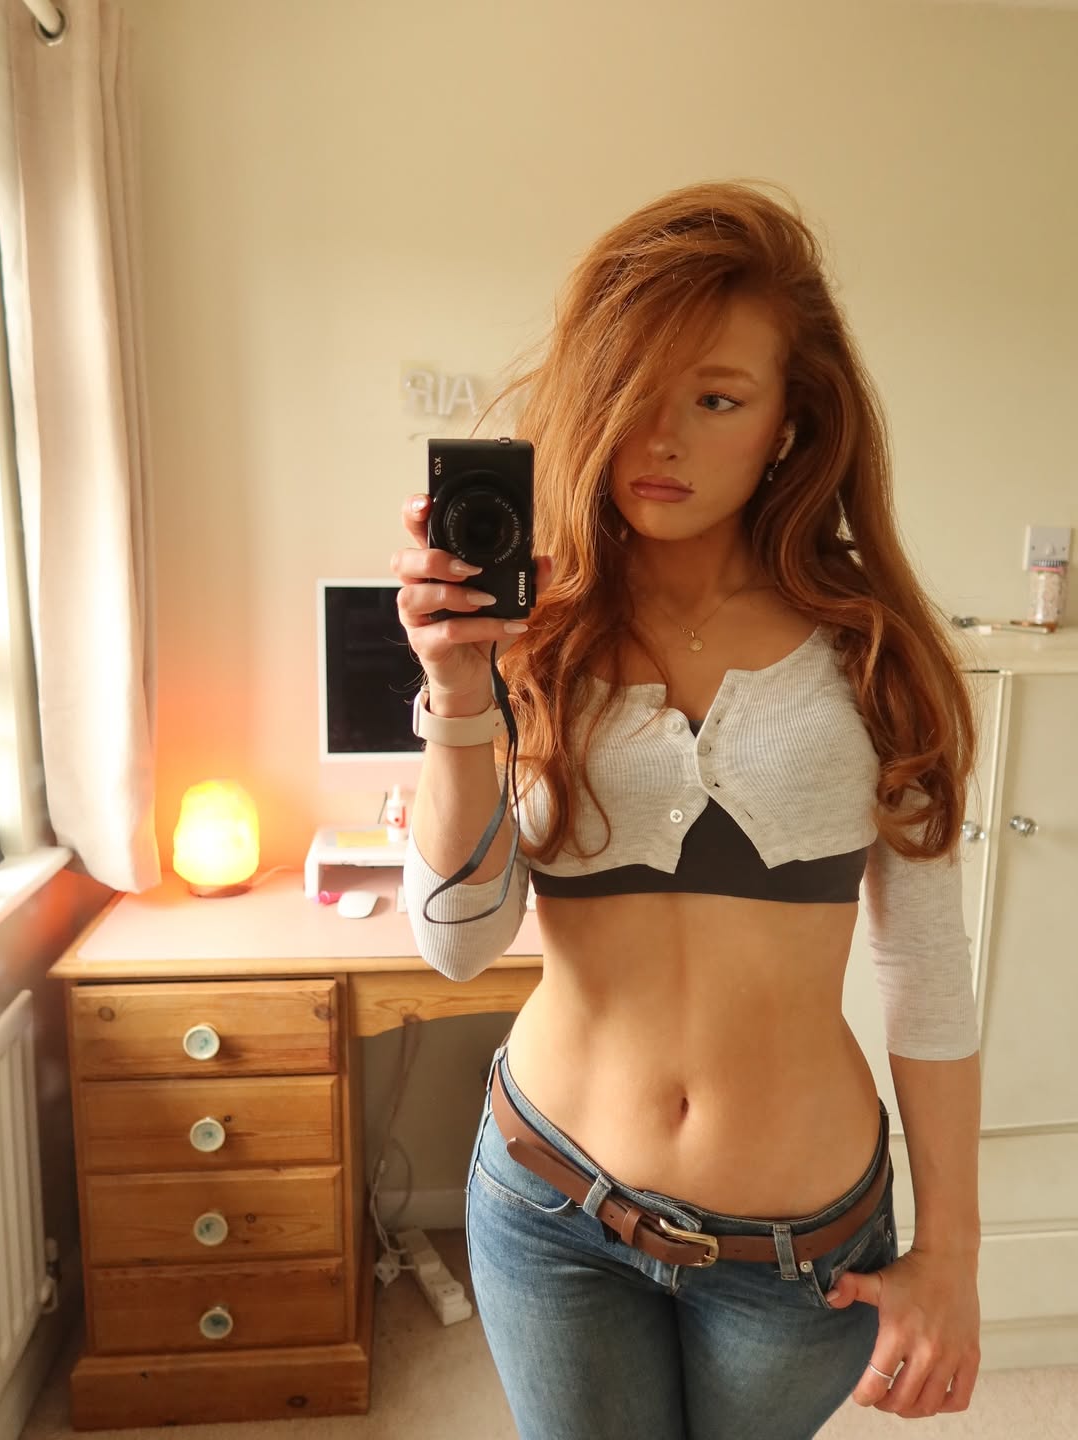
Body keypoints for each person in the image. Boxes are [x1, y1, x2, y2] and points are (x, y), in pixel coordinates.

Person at [392, 179, 982, 1440]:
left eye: (716, 400)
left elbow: (928, 968)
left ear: (787, 424)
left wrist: (954, 1255)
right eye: (637, 391)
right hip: (550, 1202)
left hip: (800, 1251)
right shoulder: (529, 631)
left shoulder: (873, 647)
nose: (661, 439)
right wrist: (457, 695)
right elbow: (456, 943)